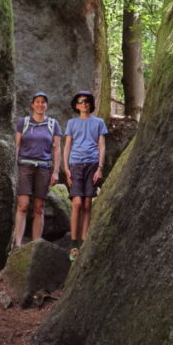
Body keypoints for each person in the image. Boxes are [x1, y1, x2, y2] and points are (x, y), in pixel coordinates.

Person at [13, 91, 62, 248]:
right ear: (32, 105)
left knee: (39, 208)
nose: (40, 105)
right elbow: (17, 145)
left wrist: (55, 171)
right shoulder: (24, 122)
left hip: (44, 168)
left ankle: (34, 246)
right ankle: (17, 244)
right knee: (23, 205)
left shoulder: (53, 124)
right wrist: (14, 166)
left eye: (43, 102)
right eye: (37, 102)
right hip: (25, 166)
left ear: (47, 105)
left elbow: (57, 149)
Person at [63, 91, 108, 261]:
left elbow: (102, 145)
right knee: (77, 203)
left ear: (91, 104)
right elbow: (67, 146)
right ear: (76, 105)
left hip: (92, 164)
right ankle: (74, 244)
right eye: (81, 102)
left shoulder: (99, 123)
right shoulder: (72, 123)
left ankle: (84, 242)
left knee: (88, 204)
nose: (84, 104)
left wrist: (100, 168)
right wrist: (66, 169)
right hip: (75, 165)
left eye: (87, 101)